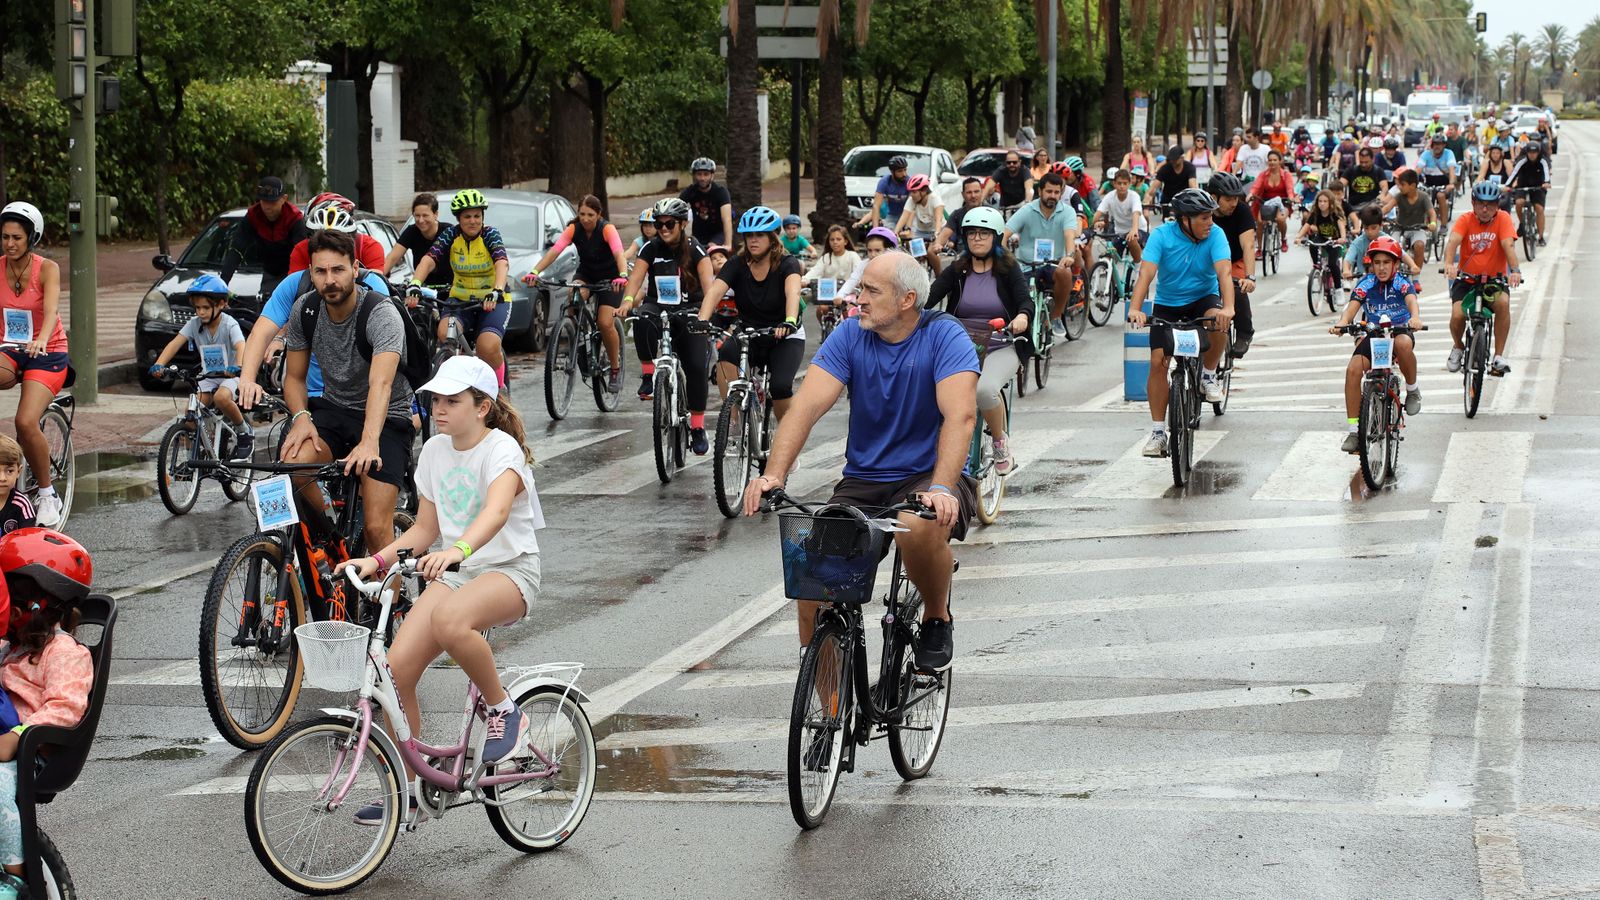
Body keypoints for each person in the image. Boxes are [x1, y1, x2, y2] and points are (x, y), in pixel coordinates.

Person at [742, 252, 979, 672]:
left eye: (871, 290)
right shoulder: (850, 336)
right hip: (864, 480)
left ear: (907, 299)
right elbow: (804, 408)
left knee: (917, 529)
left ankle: (937, 616)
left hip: (929, 475)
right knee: (811, 584)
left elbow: (959, 416)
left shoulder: (945, 336)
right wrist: (772, 475)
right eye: (860, 288)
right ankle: (827, 723)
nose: (857, 298)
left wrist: (942, 486)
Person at [339, 355, 546, 824]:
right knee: (395, 672)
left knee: (450, 621)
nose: (440, 408)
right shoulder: (433, 450)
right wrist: (374, 561)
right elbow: (425, 528)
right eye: (436, 399)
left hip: (510, 570)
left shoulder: (501, 451)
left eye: (453, 400)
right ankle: (411, 788)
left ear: (483, 407)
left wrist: (460, 550)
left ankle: (505, 710)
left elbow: (494, 514)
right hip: (459, 572)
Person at [280, 228, 415, 563]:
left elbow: (381, 384)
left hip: (386, 417)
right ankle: (330, 543)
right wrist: (300, 418)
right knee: (293, 464)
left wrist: (369, 442)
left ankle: (392, 608)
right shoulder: (305, 310)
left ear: (355, 268)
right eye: (321, 271)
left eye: (338, 270)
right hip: (334, 409)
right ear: (310, 273)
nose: (330, 280)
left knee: (374, 529)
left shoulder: (380, 313)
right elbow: (294, 377)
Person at [0, 528, 94, 895]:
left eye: (10, 595)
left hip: (30, 752)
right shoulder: (14, 647)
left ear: (36, 604)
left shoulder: (65, 653)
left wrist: (18, 737)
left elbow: (66, 707)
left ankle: (16, 873)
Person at [235, 208, 395, 413]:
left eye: (336, 244)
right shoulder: (295, 284)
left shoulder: (373, 285)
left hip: (364, 397)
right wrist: (247, 379)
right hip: (312, 395)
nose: (330, 278)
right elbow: (260, 332)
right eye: (320, 243)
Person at [1126, 188, 1235, 457]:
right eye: (1203, 218)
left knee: (1217, 320)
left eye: (1211, 216)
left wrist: (1229, 307)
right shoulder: (1162, 236)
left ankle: (1207, 376)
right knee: (1157, 362)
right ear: (1185, 220)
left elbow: (1224, 272)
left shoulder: (1216, 235)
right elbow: (1146, 273)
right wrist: (1136, 309)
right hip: (1168, 303)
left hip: (1203, 297)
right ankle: (1157, 432)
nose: (1210, 222)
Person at [928, 207, 1029, 475]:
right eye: (972, 233)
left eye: (983, 234)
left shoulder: (1008, 269)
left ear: (996, 238)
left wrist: (1021, 317)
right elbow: (929, 297)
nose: (977, 239)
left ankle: (999, 442)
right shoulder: (958, 270)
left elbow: (1025, 301)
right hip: (960, 348)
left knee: (984, 391)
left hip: (1001, 345)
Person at [618, 197, 714, 452]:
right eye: (658, 224)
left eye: (669, 223)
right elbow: (635, 279)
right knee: (641, 318)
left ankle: (697, 426)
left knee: (695, 367)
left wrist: (705, 317)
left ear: (682, 224)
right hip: (659, 306)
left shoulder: (696, 249)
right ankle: (649, 374)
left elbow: (710, 289)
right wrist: (627, 301)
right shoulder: (650, 248)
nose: (663, 229)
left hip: (690, 310)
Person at [699, 207, 805, 425]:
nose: (753, 241)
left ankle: (787, 438)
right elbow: (715, 291)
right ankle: (734, 425)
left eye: (760, 235)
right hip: (749, 332)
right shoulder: (736, 264)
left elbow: (792, 292)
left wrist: (790, 321)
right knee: (725, 357)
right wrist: (702, 319)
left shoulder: (787, 263)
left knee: (780, 387)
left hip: (784, 333)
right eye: (749, 236)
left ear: (772, 237)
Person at [0, 203, 66, 528]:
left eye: (16, 237)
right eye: (5, 237)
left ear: (32, 238)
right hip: (10, 349)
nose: (9, 244)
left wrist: (40, 338)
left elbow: (51, 310)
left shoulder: (47, 268)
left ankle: (47, 492)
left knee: (25, 422)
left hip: (47, 352)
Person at [525, 195, 630, 394]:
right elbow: (554, 252)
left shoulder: (607, 229)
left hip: (611, 279)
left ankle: (615, 368)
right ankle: (577, 338)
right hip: (587, 274)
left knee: (605, 323)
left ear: (599, 215)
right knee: (573, 297)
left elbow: (619, 254)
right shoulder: (574, 228)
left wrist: (623, 275)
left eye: (590, 215)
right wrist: (535, 272)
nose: (585, 218)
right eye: (581, 214)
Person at [1329, 235, 1424, 452]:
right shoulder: (1366, 283)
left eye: (1387, 263)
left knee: (1403, 344)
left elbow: (1412, 301)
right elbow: (1352, 308)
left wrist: (1415, 318)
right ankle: (1354, 431)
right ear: (1371, 264)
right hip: (1375, 333)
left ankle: (1412, 389)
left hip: (1399, 330)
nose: (1381, 268)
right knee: (1353, 369)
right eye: (1377, 263)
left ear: (1396, 264)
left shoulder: (1402, 282)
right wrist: (1342, 323)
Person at [409, 190, 512, 388]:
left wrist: (497, 289)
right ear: (459, 218)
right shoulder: (451, 235)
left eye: (477, 216)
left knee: (487, 346)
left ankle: (499, 391)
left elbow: (501, 261)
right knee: (444, 334)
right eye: (467, 216)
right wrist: (415, 284)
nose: (473, 221)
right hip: (460, 299)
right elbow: (429, 260)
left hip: (492, 299)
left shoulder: (490, 234)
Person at [147, 274, 252, 460]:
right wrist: (159, 364)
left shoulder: (229, 324)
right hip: (208, 376)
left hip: (231, 376)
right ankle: (192, 460)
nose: (200, 312)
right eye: (197, 308)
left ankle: (243, 430)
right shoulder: (194, 324)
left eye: (205, 307)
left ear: (221, 304)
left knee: (221, 398)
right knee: (190, 415)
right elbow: (174, 343)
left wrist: (239, 366)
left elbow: (240, 345)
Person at [1443, 182, 1522, 378]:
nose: (1485, 209)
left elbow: (1508, 245)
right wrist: (1449, 264)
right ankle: (1459, 347)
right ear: (1473, 203)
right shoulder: (1465, 219)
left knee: (1503, 304)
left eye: (1490, 205)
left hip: (1494, 281)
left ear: (1497, 205)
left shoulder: (1503, 219)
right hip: (1467, 280)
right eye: (1481, 204)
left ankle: (1498, 357)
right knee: (1458, 315)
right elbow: (1453, 241)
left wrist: (1515, 270)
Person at [1002, 172, 1079, 339]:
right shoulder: (1027, 210)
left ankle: (1056, 316)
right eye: (1049, 191)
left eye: (1057, 192)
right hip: (1026, 264)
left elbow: (1069, 237)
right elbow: (1004, 234)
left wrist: (1069, 256)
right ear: (1040, 192)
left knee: (1065, 272)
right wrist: (1004, 256)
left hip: (1054, 264)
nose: (1053, 196)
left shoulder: (1068, 212)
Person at [218, 175, 306, 293]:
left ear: (284, 199)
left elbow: (302, 255)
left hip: (293, 272)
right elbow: (236, 250)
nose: (267, 207)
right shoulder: (253, 216)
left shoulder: (295, 219)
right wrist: (222, 285)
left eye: (273, 202)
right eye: (264, 202)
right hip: (270, 272)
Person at [1205, 173, 1258, 356]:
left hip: (1235, 260)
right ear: (1213, 197)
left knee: (1237, 288)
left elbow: (1248, 245)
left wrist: (1249, 277)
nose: (1234, 203)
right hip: (1207, 263)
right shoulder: (1202, 212)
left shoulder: (1242, 211)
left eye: (1236, 198)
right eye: (1228, 199)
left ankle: (1244, 332)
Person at [285, 194, 387, 274]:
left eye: (337, 239)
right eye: (320, 240)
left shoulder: (368, 247)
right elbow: (293, 289)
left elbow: (376, 287)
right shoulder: (301, 250)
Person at [384, 193, 451, 287]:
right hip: (422, 288)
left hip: (450, 288)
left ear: (436, 214)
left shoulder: (448, 232)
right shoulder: (412, 231)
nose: (421, 220)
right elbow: (392, 257)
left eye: (425, 215)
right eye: (417, 215)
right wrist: (378, 278)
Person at [1380, 169, 1436, 275]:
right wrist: (1378, 216)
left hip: (1418, 229)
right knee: (1391, 246)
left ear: (1413, 185)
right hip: (1399, 228)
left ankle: (1416, 277)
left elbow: (1432, 213)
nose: (1399, 187)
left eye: (1402, 184)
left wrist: (1432, 224)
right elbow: (1387, 207)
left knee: (1419, 245)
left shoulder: (1423, 197)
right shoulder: (1399, 196)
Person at [804, 226, 860, 330]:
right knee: (821, 309)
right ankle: (826, 330)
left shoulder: (852, 256)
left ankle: (849, 332)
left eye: (838, 239)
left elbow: (858, 273)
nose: (835, 242)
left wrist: (858, 282)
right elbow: (815, 271)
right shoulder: (826, 257)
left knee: (848, 312)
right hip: (827, 294)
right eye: (832, 239)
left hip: (847, 294)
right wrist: (804, 280)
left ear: (846, 241)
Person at [1295, 189, 1349, 289]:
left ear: (1330, 203)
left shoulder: (1335, 214)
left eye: (1325, 201)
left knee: (1332, 264)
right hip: (1321, 238)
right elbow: (1306, 226)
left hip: (1334, 240)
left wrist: (1342, 238)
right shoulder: (1316, 214)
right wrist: (1298, 237)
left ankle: (1338, 289)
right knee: (1312, 244)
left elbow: (1341, 227)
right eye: (1320, 201)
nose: (1322, 204)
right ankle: (1316, 266)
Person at [1093, 168, 1149, 264]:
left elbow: (1136, 213)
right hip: (1120, 232)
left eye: (1124, 183)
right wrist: (1095, 223)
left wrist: (1134, 230)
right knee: (1110, 256)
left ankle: (1138, 263)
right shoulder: (1109, 196)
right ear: (1114, 184)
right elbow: (1099, 212)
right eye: (1119, 183)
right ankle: (1110, 274)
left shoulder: (1134, 196)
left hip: (1138, 229)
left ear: (1129, 184)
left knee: (1132, 239)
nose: (1122, 186)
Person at [895, 175, 946, 276]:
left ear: (923, 191)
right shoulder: (912, 200)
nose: (911, 195)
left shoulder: (935, 199)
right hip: (921, 231)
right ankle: (918, 274)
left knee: (931, 251)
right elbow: (904, 216)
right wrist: (895, 232)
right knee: (913, 249)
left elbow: (938, 218)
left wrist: (937, 234)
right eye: (910, 192)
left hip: (938, 230)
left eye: (914, 192)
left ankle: (939, 276)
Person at [1247, 150, 1295, 255]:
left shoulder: (1286, 175)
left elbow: (1290, 189)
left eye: (1275, 160)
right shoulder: (1263, 175)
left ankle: (1283, 239)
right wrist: (1250, 194)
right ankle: (1259, 248)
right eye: (1270, 160)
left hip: (1282, 202)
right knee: (1259, 222)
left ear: (1280, 161)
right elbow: (1256, 187)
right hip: (1266, 203)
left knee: (1281, 219)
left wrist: (1291, 197)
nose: (1272, 162)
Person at [681, 158, 734, 248]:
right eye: (699, 174)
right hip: (698, 235)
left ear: (712, 175)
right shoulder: (690, 191)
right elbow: (676, 208)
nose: (702, 178)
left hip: (718, 233)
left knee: (711, 248)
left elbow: (727, 219)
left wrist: (728, 244)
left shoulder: (721, 192)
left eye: (706, 174)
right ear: (694, 175)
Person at [1507, 140, 1552, 246]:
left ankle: (1540, 237)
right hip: (1523, 185)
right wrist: (1507, 186)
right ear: (1527, 152)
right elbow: (1514, 173)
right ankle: (1522, 223)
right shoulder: (1522, 161)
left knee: (1539, 209)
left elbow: (1546, 173)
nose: (1532, 155)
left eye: (1535, 153)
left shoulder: (1543, 161)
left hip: (1538, 187)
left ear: (1538, 153)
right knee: (1519, 202)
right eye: (1530, 153)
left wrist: (1546, 182)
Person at [839, 227, 900, 300]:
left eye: (877, 250)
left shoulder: (895, 266)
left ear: (889, 250)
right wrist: (840, 295)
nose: (873, 254)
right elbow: (853, 280)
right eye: (869, 250)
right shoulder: (864, 264)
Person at [859, 155, 914, 230]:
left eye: (905, 170)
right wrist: (875, 229)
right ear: (892, 172)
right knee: (889, 236)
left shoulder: (909, 182)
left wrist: (908, 228)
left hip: (906, 214)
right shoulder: (885, 182)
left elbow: (912, 206)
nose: (904, 174)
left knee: (908, 236)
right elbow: (876, 206)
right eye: (900, 171)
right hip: (891, 216)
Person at [934, 177, 986, 256]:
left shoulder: (992, 212)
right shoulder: (956, 215)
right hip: (963, 257)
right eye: (969, 192)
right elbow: (943, 235)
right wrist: (938, 244)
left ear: (981, 192)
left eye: (976, 191)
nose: (973, 195)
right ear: (963, 194)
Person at [1416, 134, 1458, 227]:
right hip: (1429, 183)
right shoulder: (1426, 154)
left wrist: (1451, 184)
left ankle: (1443, 226)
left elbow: (1452, 169)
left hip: (1444, 184)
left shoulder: (1449, 153)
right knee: (1422, 197)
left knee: (1440, 196)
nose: (1437, 146)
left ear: (1444, 145)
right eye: (1435, 144)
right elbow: (1418, 169)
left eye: (1439, 144)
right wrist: (1412, 181)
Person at [1340, 146, 1388, 225]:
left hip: (1371, 206)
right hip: (1353, 206)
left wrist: (1382, 194)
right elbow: (1340, 184)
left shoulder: (1378, 171)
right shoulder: (1351, 170)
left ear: (1372, 160)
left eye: (1366, 162)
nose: (1363, 165)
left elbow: (1384, 186)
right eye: (1361, 162)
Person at [1341, 206, 1386, 282]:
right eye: (1366, 228)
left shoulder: (1387, 240)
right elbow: (1348, 258)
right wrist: (1346, 270)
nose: (1370, 232)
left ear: (1381, 225)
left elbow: (1402, 254)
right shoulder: (1359, 242)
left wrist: (1412, 265)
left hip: (1384, 281)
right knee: (1356, 293)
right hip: (1363, 282)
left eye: (1373, 228)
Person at [0, 437, 34, 534]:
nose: (2, 478)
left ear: (18, 471)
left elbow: (29, 540)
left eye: (10, 471)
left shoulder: (22, 505)